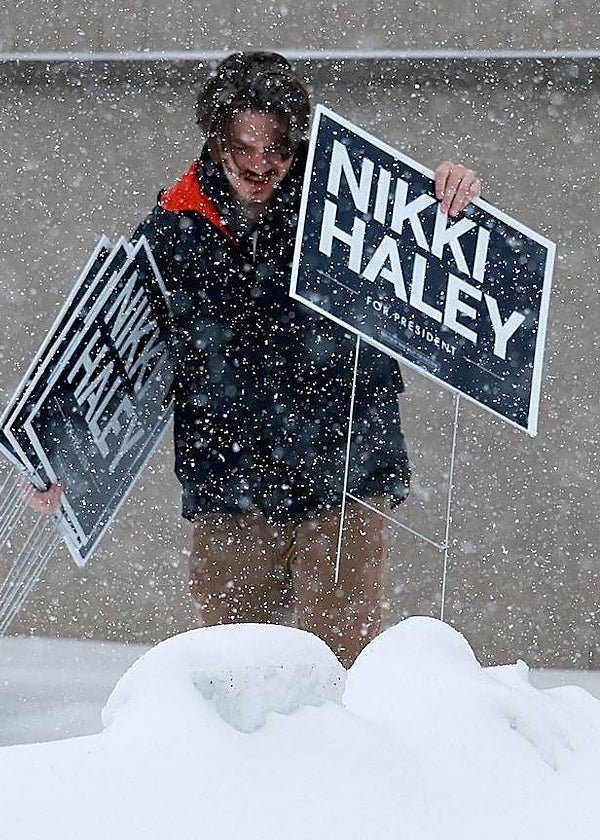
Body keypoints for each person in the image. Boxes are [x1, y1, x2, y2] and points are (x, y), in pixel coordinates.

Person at [33, 52, 481, 667]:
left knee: (338, 672)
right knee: (236, 687)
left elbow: (442, 246)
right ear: (216, 140)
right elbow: (112, 347)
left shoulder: (349, 207)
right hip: (228, 483)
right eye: (243, 143)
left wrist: (448, 194)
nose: (259, 163)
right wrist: (60, 458)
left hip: (344, 474)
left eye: (276, 146)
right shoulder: (173, 228)